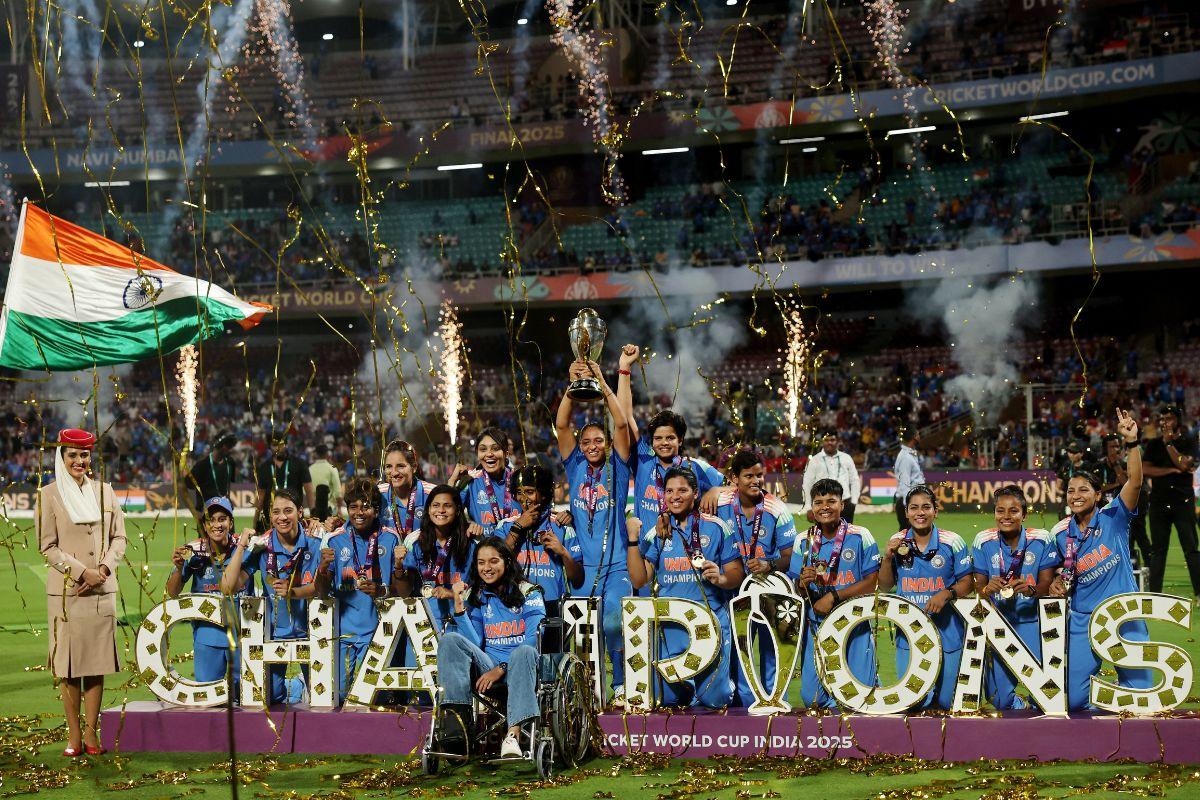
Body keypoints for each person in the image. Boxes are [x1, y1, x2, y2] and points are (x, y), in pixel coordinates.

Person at [1046, 409, 1152, 710]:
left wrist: (1132, 443)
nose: (1076, 495)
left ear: (1097, 494)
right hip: (1082, 617)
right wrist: (1055, 582)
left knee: (1140, 695)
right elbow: (1059, 573)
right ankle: (1108, 697)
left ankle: (1122, 691)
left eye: (1083, 489)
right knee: (1075, 700)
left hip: (1122, 612)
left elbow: (1134, 481)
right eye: (1071, 490)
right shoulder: (1060, 533)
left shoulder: (1114, 517)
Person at [38, 428, 127, 757]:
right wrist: (81, 572)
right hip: (67, 593)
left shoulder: (105, 492)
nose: (79, 460)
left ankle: (92, 735)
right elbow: (46, 546)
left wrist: (102, 570)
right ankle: (74, 736)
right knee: (69, 667)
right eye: (72, 454)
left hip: (102, 591)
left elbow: (119, 538)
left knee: (96, 664)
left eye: (84, 454)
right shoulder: (48, 495)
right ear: (61, 458)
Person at [626, 467, 744, 708]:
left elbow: (737, 574)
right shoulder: (658, 531)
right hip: (671, 626)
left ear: (695, 493)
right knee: (666, 698)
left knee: (715, 699)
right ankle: (687, 688)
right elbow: (639, 581)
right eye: (669, 491)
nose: (675, 496)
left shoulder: (717, 527)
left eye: (682, 490)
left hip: (709, 622)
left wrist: (720, 579)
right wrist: (632, 539)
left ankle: (725, 684)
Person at [555, 355, 635, 705]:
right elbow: (561, 426)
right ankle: (589, 687)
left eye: (597, 441)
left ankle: (619, 682)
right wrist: (573, 387)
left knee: (614, 623)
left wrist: (601, 381)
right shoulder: (573, 467)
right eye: (586, 442)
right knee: (582, 635)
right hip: (583, 568)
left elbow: (620, 424)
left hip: (616, 565)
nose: (591, 447)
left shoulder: (617, 465)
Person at [437, 537, 545, 759]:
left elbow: (534, 639)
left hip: (522, 667)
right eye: (481, 562)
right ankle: (457, 726)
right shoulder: (477, 595)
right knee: (449, 640)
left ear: (507, 561)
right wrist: (459, 607)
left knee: (522, 651)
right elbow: (474, 643)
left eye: (493, 561)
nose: (487, 568)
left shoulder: (530, 592)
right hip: (488, 667)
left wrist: (502, 668)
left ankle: (512, 735)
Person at [222, 488, 329, 704]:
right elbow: (228, 587)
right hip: (275, 635)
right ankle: (297, 684)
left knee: (323, 698)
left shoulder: (316, 542)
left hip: (312, 633)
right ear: (270, 515)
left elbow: (321, 589)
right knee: (271, 696)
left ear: (300, 512)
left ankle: (303, 683)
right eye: (276, 512)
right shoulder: (262, 546)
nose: (282, 517)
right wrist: (242, 545)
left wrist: (294, 591)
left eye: (288, 511)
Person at [878, 485, 972, 710]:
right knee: (913, 701)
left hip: (947, 631)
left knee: (945, 703)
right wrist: (888, 558)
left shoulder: (953, 542)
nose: (920, 513)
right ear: (907, 512)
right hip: (909, 634)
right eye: (914, 508)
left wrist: (947, 593)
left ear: (935, 511)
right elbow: (884, 585)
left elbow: (968, 583)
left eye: (926, 507)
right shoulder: (897, 541)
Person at [715, 449, 797, 707]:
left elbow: (790, 556)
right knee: (739, 651)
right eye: (748, 476)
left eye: (759, 475)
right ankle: (742, 703)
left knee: (771, 648)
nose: (755, 481)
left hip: (768, 589)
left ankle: (774, 702)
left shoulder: (777, 509)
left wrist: (769, 564)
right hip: (732, 591)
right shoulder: (720, 504)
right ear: (734, 478)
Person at [617, 344, 725, 539]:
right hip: (646, 552)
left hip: (681, 553)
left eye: (670, 438)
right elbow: (623, 418)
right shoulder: (642, 459)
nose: (663, 443)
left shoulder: (695, 467)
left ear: (680, 440)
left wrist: (717, 489)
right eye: (658, 438)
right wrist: (625, 368)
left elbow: (732, 487)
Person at [789, 478, 879, 709]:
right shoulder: (803, 540)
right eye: (818, 502)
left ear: (842, 504)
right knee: (814, 701)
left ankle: (871, 681)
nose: (825, 507)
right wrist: (803, 584)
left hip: (855, 623)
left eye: (831, 501)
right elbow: (796, 589)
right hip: (817, 625)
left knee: (860, 699)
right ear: (812, 507)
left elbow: (874, 581)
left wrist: (835, 596)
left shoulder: (860, 536)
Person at [969, 486, 1056, 710]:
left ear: (1024, 514)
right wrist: (987, 589)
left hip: (1033, 623)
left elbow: (1047, 582)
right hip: (998, 625)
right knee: (999, 700)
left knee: (1045, 696)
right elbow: (977, 587)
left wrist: (1031, 590)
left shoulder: (1042, 539)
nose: (1006, 517)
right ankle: (1019, 704)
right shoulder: (983, 540)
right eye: (1000, 511)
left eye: (1013, 511)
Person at [318, 478, 405, 702]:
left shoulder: (390, 538)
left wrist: (380, 591)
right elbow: (321, 592)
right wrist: (323, 568)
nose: (359, 512)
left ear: (376, 510)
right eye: (354, 506)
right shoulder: (334, 540)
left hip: (380, 634)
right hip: (345, 634)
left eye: (366, 506)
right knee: (340, 696)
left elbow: (401, 590)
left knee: (377, 699)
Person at [165, 496, 249, 696]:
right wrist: (178, 568)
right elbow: (172, 591)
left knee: (246, 697)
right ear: (204, 524)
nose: (217, 525)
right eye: (211, 520)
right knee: (209, 698)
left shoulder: (245, 548)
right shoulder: (193, 551)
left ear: (230, 522)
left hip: (243, 635)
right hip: (207, 635)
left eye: (222, 519)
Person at [495, 465, 583, 619]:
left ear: (543, 494)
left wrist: (562, 552)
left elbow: (577, 578)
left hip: (553, 606)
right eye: (519, 492)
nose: (524, 499)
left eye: (530, 492)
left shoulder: (561, 527)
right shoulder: (505, 526)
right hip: (515, 604)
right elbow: (496, 562)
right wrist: (518, 527)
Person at [396, 485, 476, 632]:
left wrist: (452, 594)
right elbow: (404, 592)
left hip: (462, 624)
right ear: (428, 509)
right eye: (436, 505)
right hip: (425, 627)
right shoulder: (415, 544)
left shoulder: (471, 544)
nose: (441, 510)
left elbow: (480, 592)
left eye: (447, 506)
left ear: (458, 510)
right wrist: (399, 567)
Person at [1141, 405, 1200, 596]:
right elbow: (1145, 469)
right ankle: (1155, 594)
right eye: (1162, 419)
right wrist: (1170, 470)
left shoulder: (1188, 441)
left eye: (1169, 418)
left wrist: (1168, 444)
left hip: (1183, 502)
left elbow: (1183, 464)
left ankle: (1199, 592)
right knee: (1158, 551)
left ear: (1178, 421)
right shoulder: (1153, 444)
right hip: (1158, 503)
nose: (1165, 422)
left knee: (1191, 549)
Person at [449, 427, 519, 536]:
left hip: (517, 550)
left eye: (495, 449)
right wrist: (451, 482)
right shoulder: (470, 482)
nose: (489, 454)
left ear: (506, 453)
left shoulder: (519, 479)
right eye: (483, 449)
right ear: (477, 454)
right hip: (484, 550)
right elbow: (447, 515)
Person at [380, 439, 436, 547]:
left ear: (414, 467)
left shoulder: (432, 494)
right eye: (388, 466)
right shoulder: (377, 495)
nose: (394, 472)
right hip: (389, 563)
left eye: (400, 466)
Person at [255, 438, 315, 532]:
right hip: (271, 519)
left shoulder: (299, 464)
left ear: (286, 445)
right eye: (275, 445)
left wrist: (313, 515)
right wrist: (255, 523)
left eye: (281, 444)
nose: (278, 448)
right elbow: (260, 497)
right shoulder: (264, 467)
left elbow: (309, 491)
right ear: (269, 447)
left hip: (294, 516)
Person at [802, 431, 861, 522]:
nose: (829, 442)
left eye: (832, 440)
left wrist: (853, 502)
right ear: (822, 442)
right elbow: (807, 484)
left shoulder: (846, 458)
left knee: (847, 534)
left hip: (845, 502)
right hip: (823, 503)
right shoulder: (814, 460)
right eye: (826, 440)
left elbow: (855, 480)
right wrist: (808, 508)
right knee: (824, 535)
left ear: (837, 441)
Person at [184, 432, 237, 521]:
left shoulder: (230, 463)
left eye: (231, 446)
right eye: (227, 445)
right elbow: (186, 486)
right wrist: (194, 511)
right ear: (219, 445)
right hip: (207, 516)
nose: (230, 449)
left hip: (226, 514)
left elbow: (227, 487)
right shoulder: (202, 466)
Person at [892, 429, 924, 532]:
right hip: (907, 501)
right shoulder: (905, 457)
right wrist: (909, 507)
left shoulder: (909, 455)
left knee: (913, 536)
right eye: (918, 434)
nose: (920, 436)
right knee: (907, 538)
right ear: (914, 437)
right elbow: (904, 483)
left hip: (912, 501)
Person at [308, 444, 343, 522]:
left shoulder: (309, 469)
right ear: (327, 454)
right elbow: (338, 493)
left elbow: (306, 491)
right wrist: (339, 509)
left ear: (315, 454)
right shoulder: (332, 469)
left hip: (314, 509)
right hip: (329, 509)